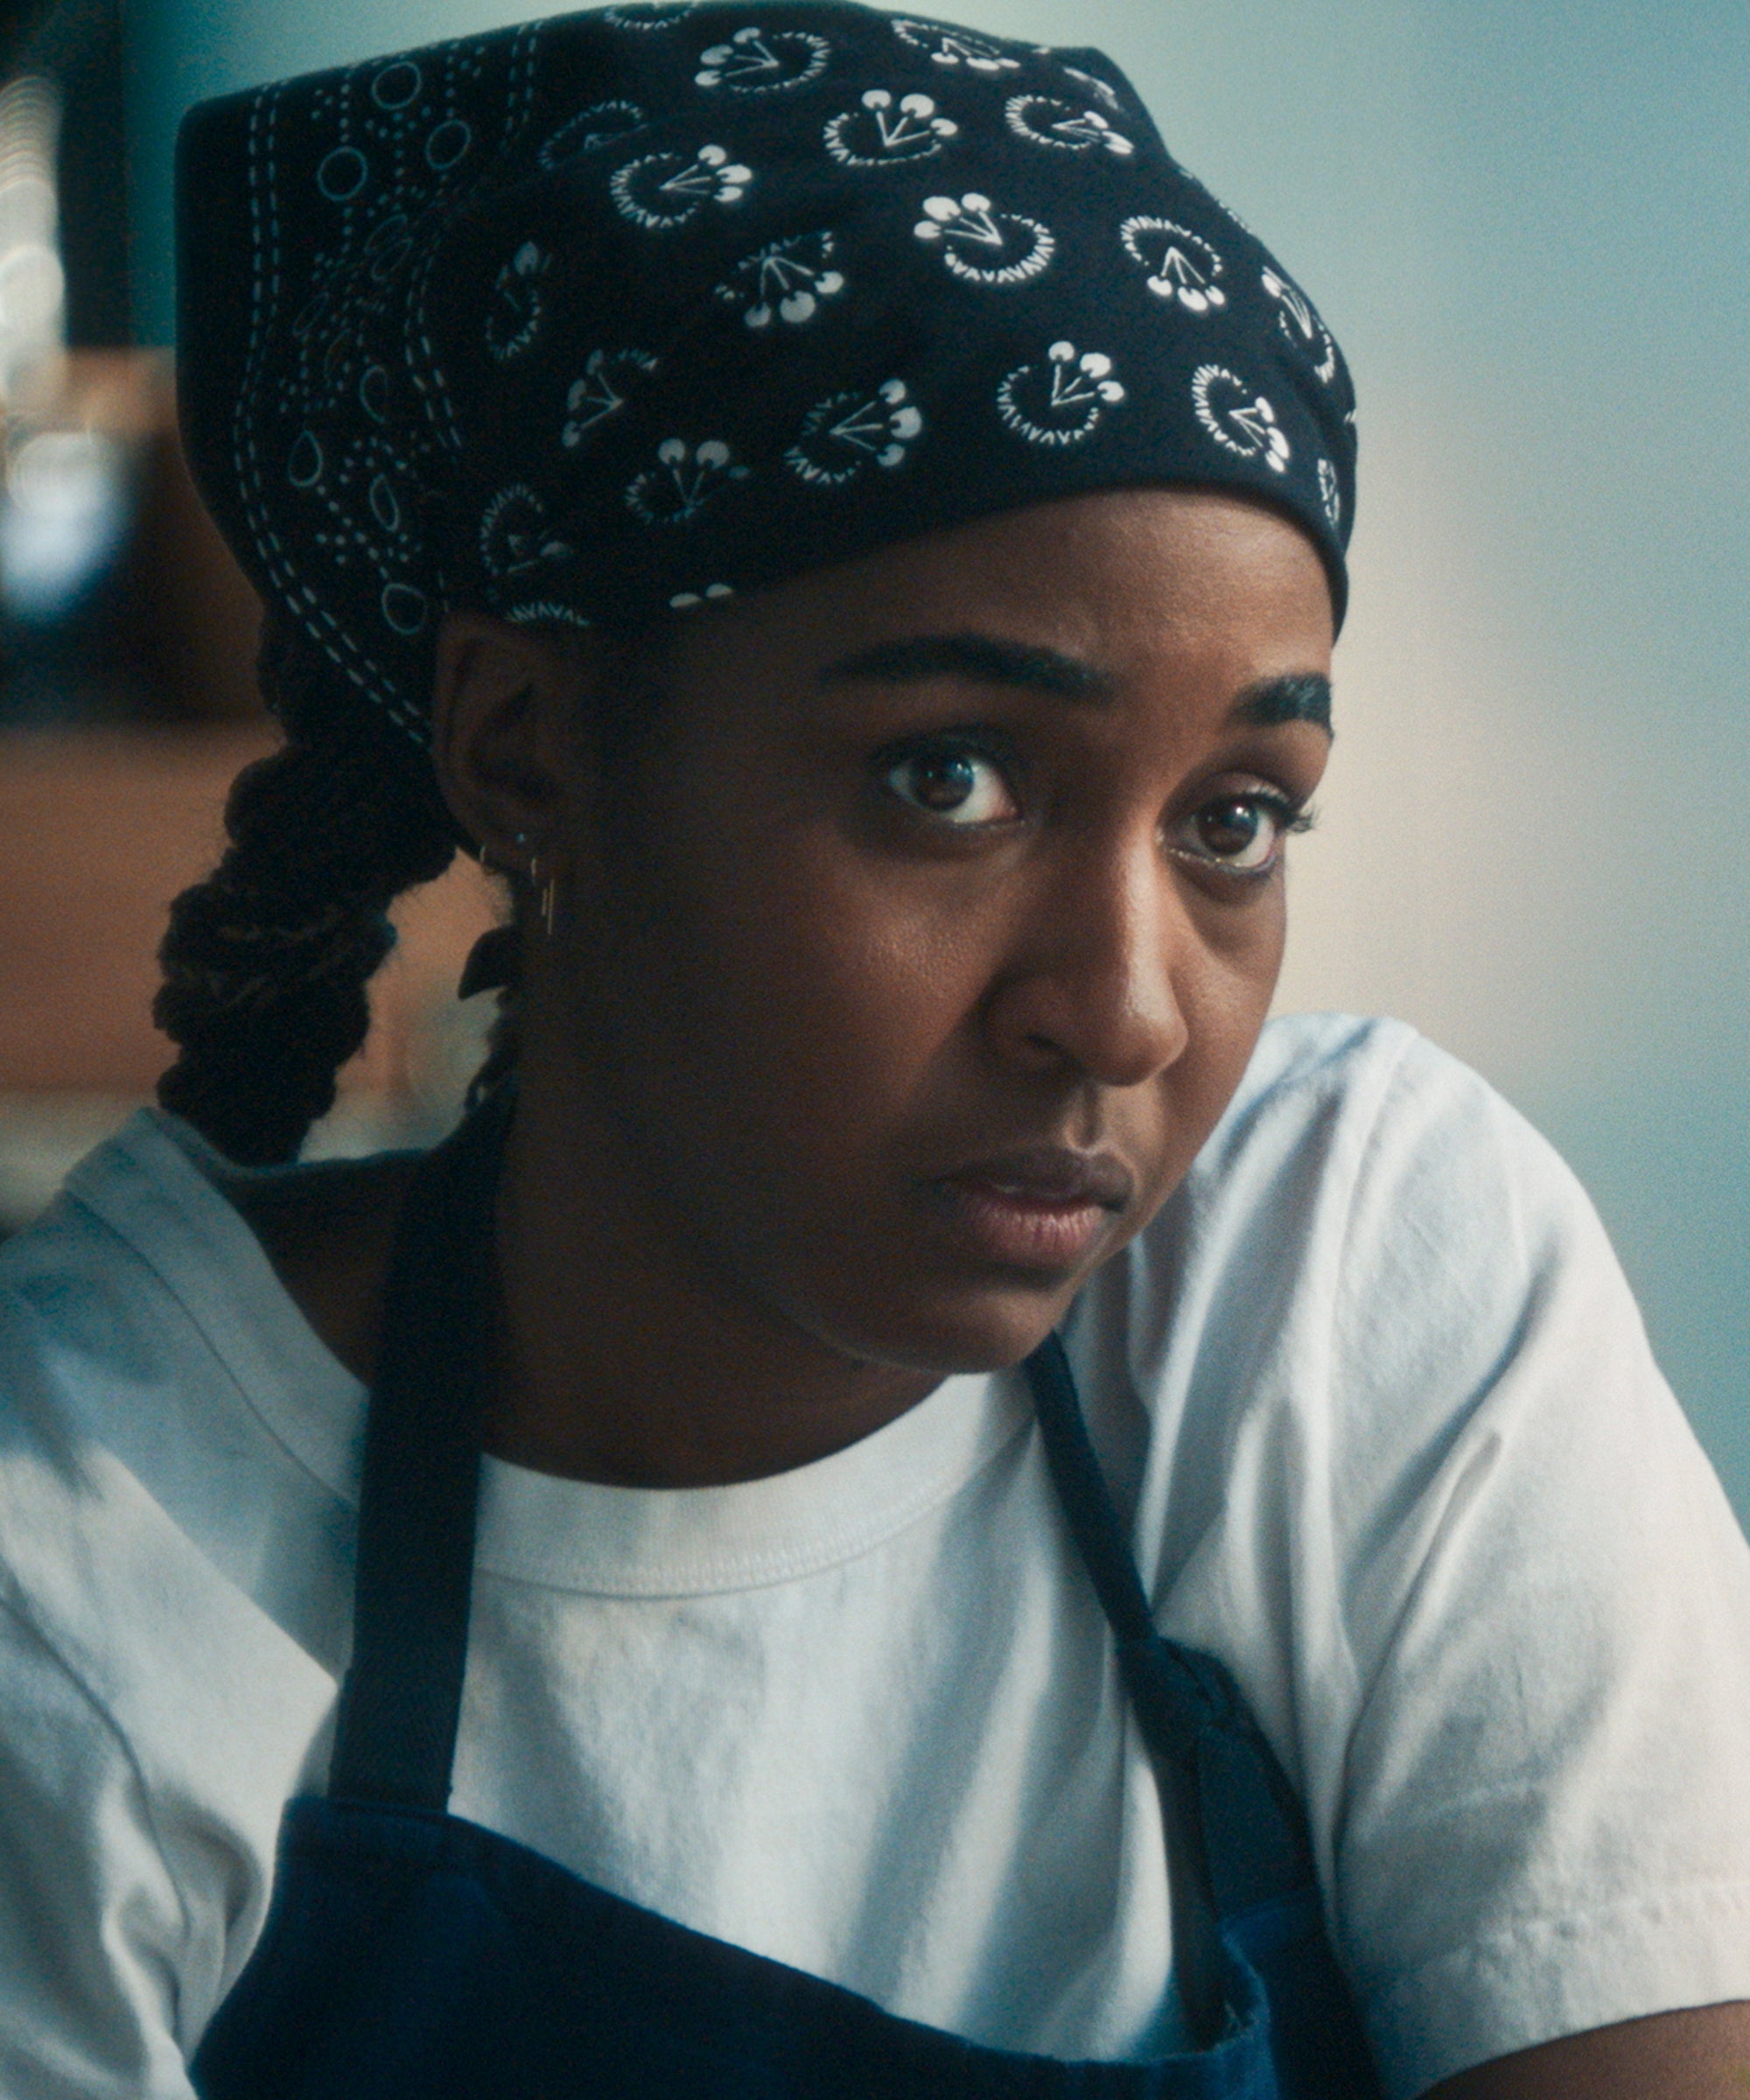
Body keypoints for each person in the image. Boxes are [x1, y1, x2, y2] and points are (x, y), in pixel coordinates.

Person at [1, 3, 1746, 2095]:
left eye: (1233, 820)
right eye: (948, 777)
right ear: (524, 745)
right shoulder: (89, 1567)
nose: (1121, 1009)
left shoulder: (1344, 1270)